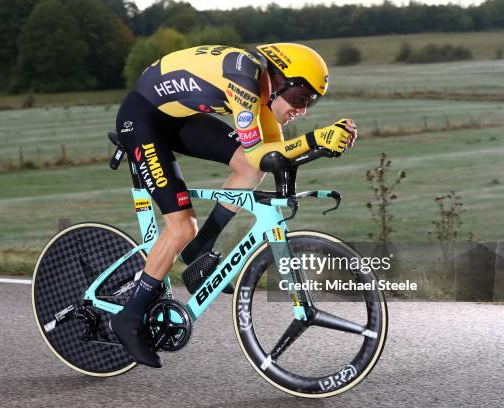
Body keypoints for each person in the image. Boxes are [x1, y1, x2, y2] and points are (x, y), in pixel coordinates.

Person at [112, 43, 358, 368]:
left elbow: (272, 156)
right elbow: (264, 152)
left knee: (249, 168)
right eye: (301, 97)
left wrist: (324, 146)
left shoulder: (263, 93)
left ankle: (199, 250)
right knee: (181, 225)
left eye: (311, 101)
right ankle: (130, 316)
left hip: (177, 116)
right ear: (279, 79)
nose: (303, 109)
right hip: (142, 117)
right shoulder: (243, 79)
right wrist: (315, 140)